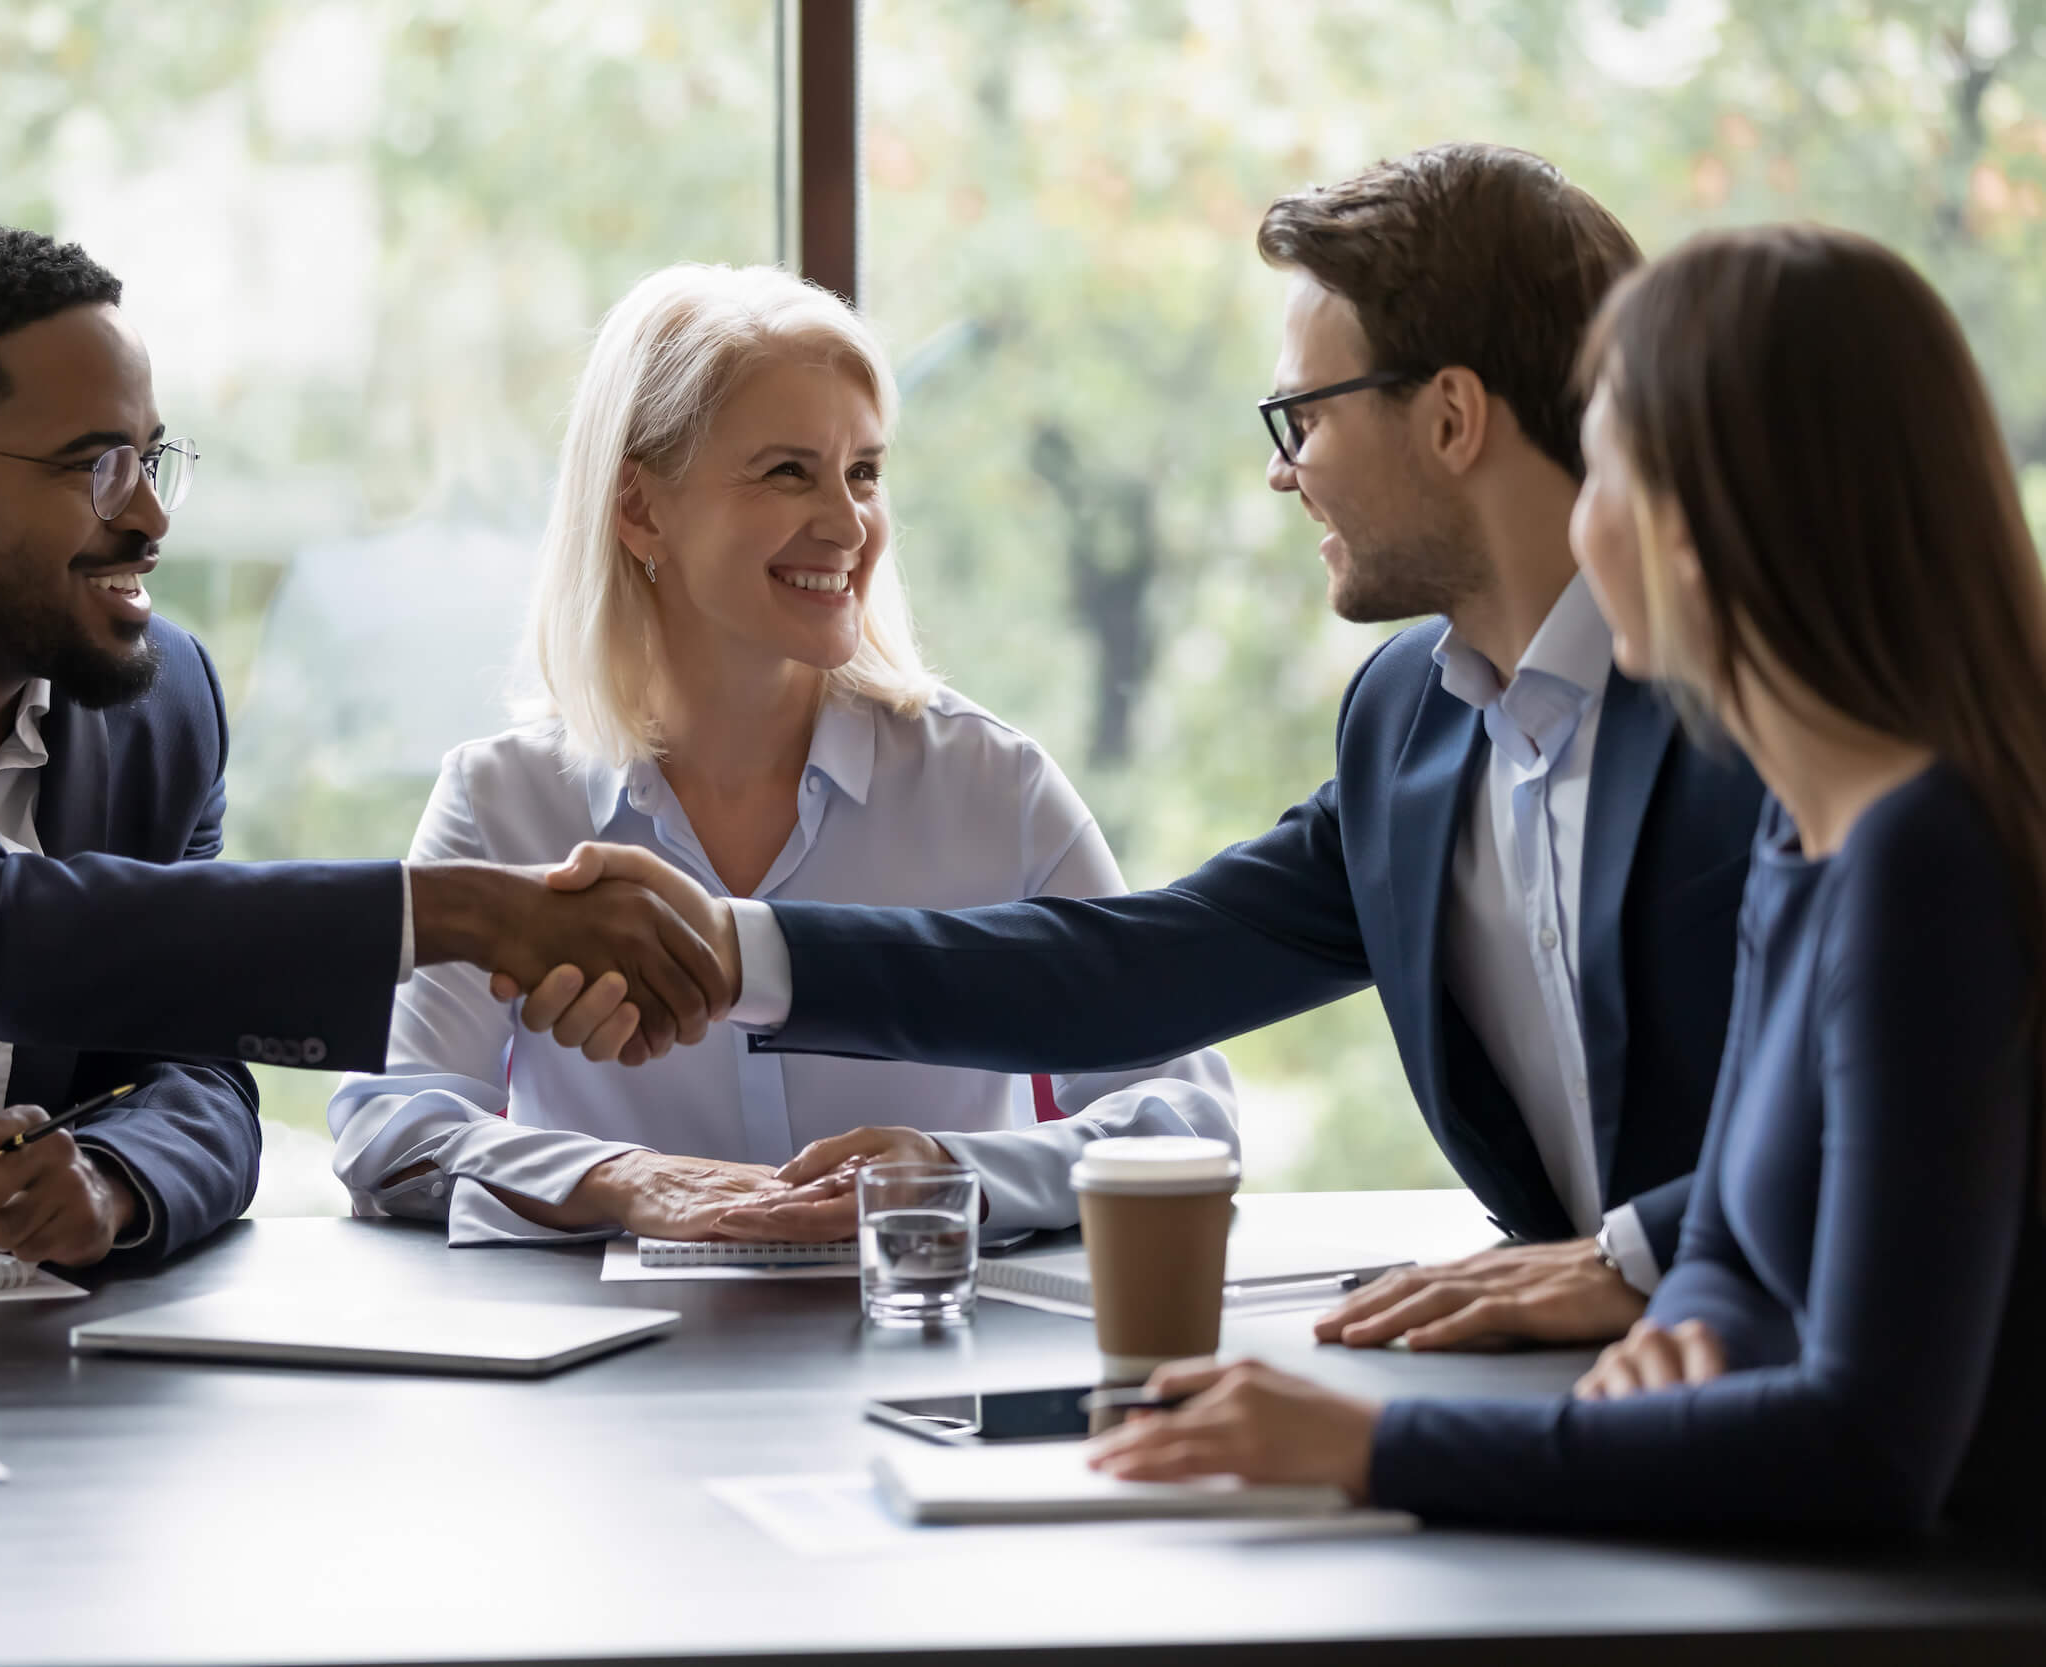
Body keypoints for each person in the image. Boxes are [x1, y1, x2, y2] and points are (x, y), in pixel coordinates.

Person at [522, 145, 1762, 1345]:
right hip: (1585, 1401)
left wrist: (1633, 1256)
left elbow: (1906, 1094)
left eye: (1302, 416)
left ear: (1449, 419)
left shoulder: (1774, 699)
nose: (1286, 475)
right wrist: (721, 946)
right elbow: (1129, 968)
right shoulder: (1409, 724)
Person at [1085, 225, 2046, 1543]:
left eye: (1606, 465)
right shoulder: (1809, 838)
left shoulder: (1923, 865)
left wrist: (1372, 1441)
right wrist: (1690, 1334)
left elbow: (1866, 1451)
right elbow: (1735, 1244)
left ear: (1711, 521)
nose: (1577, 520)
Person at [0, 225, 728, 1261]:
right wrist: (467, 912)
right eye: (94, 464)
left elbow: (200, 1072)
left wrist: (112, 1179)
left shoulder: (160, 702)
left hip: (4, 1357)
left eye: (153, 456)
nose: (151, 514)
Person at [327, 264, 1237, 1245]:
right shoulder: (505, 799)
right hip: (615, 1380)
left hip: (924, 1355)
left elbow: (1183, 1115)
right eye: (787, 472)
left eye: (865, 472)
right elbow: (392, 1123)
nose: (847, 524)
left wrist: (951, 1173)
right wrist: (619, 1179)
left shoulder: (991, 785)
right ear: (639, 510)